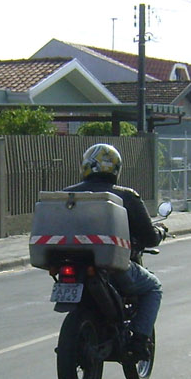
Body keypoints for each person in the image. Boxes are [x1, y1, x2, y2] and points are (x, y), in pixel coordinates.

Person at [65, 143, 165, 358]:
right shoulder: (127, 197)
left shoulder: (67, 195)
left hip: (70, 262)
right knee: (153, 287)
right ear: (116, 169)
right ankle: (139, 340)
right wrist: (160, 232)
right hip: (111, 266)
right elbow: (149, 238)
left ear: (86, 166)